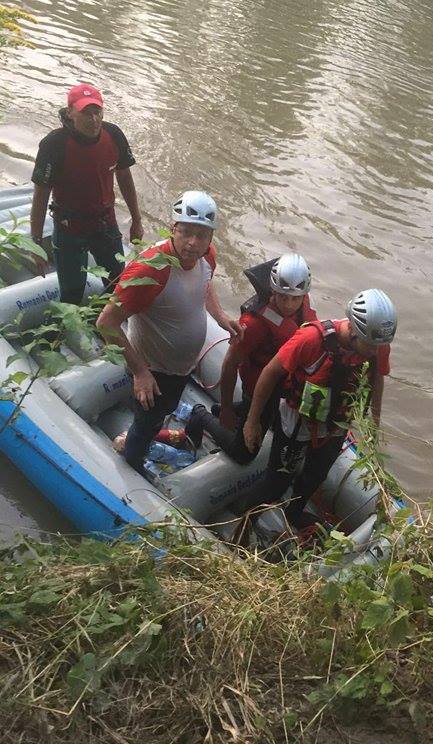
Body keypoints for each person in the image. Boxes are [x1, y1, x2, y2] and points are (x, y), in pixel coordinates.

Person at [96, 191, 235, 473]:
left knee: (163, 409)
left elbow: (206, 283)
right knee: (147, 422)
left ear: (211, 237)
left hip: (181, 367)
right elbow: (106, 323)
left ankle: (153, 430)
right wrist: (139, 372)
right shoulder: (150, 270)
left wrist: (219, 315)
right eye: (186, 232)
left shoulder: (207, 256)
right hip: (152, 370)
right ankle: (133, 455)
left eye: (202, 234)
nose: (193, 243)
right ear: (173, 229)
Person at [241, 288, 397, 535]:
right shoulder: (311, 340)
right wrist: (252, 422)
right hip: (297, 422)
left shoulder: (377, 344)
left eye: (380, 345)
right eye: (371, 345)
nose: (376, 350)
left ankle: (294, 512)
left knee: (315, 476)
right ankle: (244, 525)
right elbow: (270, 373)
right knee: (276, 483)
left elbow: (377, 380)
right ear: (355, 332)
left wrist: (373, 424)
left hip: (335, 425)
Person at [185, 253, 316, 463]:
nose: (289, 304)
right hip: (257, 388)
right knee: (244, 455)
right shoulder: (254, 323)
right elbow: (230, 364)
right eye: (283, 297)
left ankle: (228, 411)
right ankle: (201, 415)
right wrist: (227, 409)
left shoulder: (301, 301)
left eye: (295, 298)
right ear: (273, 290)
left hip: (285, 384)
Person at [30, 83, 143, 303]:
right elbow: (41, 194)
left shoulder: (114, 135)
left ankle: (103, 324)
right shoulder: (54, 144)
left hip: (105, 223)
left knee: (118, 283)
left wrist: (136, 220)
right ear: (70, 112)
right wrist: (35, 242)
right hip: (69, 228)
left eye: (97, 112)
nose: (93, 120)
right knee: (72, 292)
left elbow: (125, 178)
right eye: (85, 113)